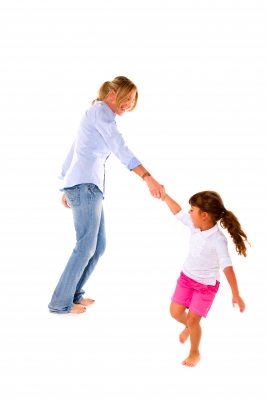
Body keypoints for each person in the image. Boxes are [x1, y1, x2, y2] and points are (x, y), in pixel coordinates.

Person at [48, 76, 165, 314]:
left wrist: (67, 185)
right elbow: (119, 147)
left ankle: (73, 294)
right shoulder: (101, 111)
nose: (129, 104)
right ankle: (60, 302)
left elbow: (75, 150)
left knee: (97, 246)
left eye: (133, 101)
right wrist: (147, 177)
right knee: (85, 247)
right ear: (112, 94)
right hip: (86, 186)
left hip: (85, 187)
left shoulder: (95, 114)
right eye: (127, 98)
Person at [164, 190, 249, 367]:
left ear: (204, 215)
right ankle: (188, 327)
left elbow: (227, 266)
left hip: (206, 286)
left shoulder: (218, 240)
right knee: (175, 312)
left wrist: (235, 292)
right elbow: (178, 212)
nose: (189, 212)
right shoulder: (196, 226)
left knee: (194, 320)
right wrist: (164, 195)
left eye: (192, 209)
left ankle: (194, 352)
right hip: (186, 277)